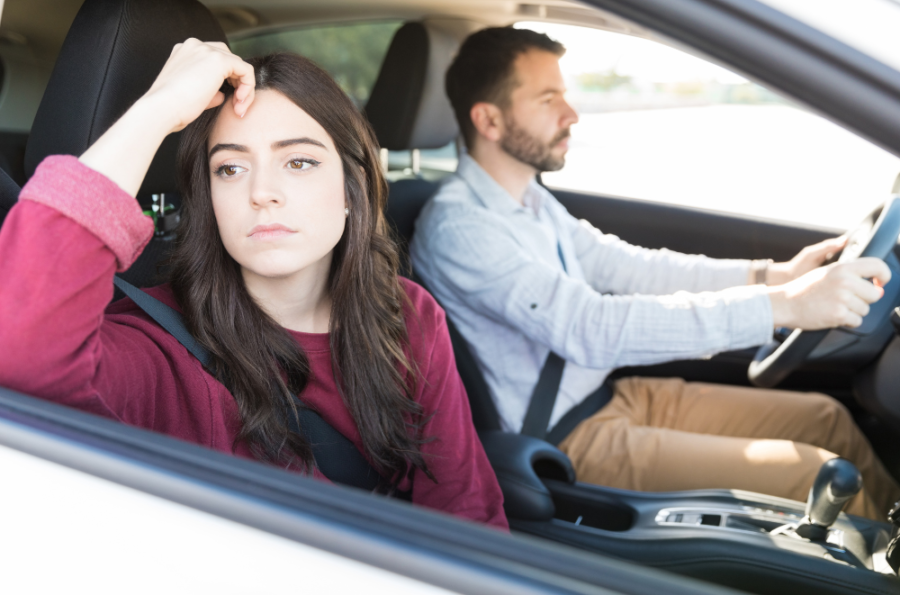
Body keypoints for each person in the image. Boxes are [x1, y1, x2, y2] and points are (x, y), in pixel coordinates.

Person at [0, 40, 507, 529]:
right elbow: (21, 349)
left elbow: (466, 510)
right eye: (231, 168)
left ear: (352, 189)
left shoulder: (405, 313)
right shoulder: (164, 355)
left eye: (300, 162)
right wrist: (159, 108)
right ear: (209, 199)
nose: (262, 192)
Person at [410, 26, 900, 521]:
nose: (572, 113)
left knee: (827, 418)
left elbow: (632, 266)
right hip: (568, 434)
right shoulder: (462, 228)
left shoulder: (532, 201)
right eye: (548, 98)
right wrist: (786, 305)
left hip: (614, 396)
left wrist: (775, 276)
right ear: (489, 120)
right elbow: (589, 328)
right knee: (813, 471)